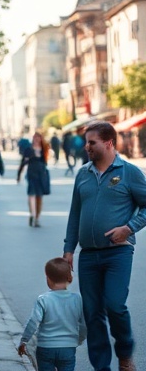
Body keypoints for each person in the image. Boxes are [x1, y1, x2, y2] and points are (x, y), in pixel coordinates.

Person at [63, 120, 146, 371]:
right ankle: (102, 367)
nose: (86, 146)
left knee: (115, 305)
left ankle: (124, 353)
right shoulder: (82, 174)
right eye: (87, 142)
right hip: (88, 256)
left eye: (91, 142)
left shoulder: (129, 172)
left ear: (108, 143)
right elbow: (75, 214)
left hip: (118, 253)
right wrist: (69, 249)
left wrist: (129, 228)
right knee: (92, 312)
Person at [18, 257, 86, 371]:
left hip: (45, 347)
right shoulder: (77, 299)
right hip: (68, 348)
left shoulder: (43, 299)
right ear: (70, 278)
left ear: (48, 279)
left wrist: (24, 340)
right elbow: (83, 325)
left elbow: (33, 322)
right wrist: (79, 339)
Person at [18, 131, 51, 227]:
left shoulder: (44, 149)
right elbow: (23, 162)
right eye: (35, 137)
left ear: (41, 139)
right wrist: (19, 175)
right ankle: (32, 213)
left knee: (39, 197)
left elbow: (45, 162)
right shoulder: (28, 149)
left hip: (41, 175)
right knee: (31, 194)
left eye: (38, 137)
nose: (36, 139)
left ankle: (37, 218)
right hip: (31, 174)